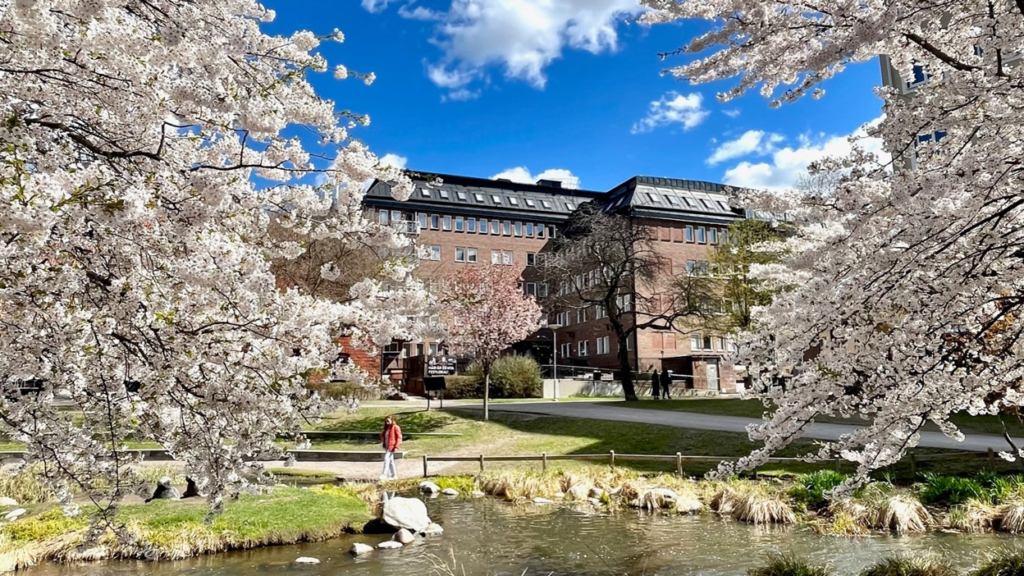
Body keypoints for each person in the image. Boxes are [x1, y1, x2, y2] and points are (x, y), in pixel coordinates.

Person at [380, 414, 402, 480]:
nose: (387, 422)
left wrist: (396, 446)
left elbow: (399, 437)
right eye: (386, 421)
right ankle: (394, 475)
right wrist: (382, 438)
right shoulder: (387, 428)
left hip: (391, 447)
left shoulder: (396, 427)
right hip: (387, 447)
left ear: (392, 420)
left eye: (388, 420)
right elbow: (382, 435)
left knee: (386, 459)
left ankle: (384, 474)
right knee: (391, 461)